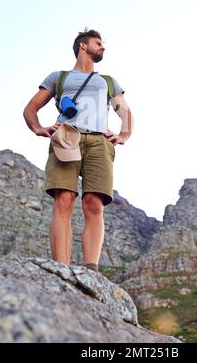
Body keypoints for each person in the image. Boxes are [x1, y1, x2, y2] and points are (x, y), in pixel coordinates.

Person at [23, 29, 134, 271]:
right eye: (98, 43)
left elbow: (123, 111)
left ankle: (90, 271)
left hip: (98, 142)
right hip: (67, 137)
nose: (102, 47)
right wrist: (37, 128)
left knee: (94, 203)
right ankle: (61, 269)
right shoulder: (59, 77)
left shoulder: (108, 81)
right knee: (64, 199)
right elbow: (31, 108)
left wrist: (123, 135)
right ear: (83, 46)